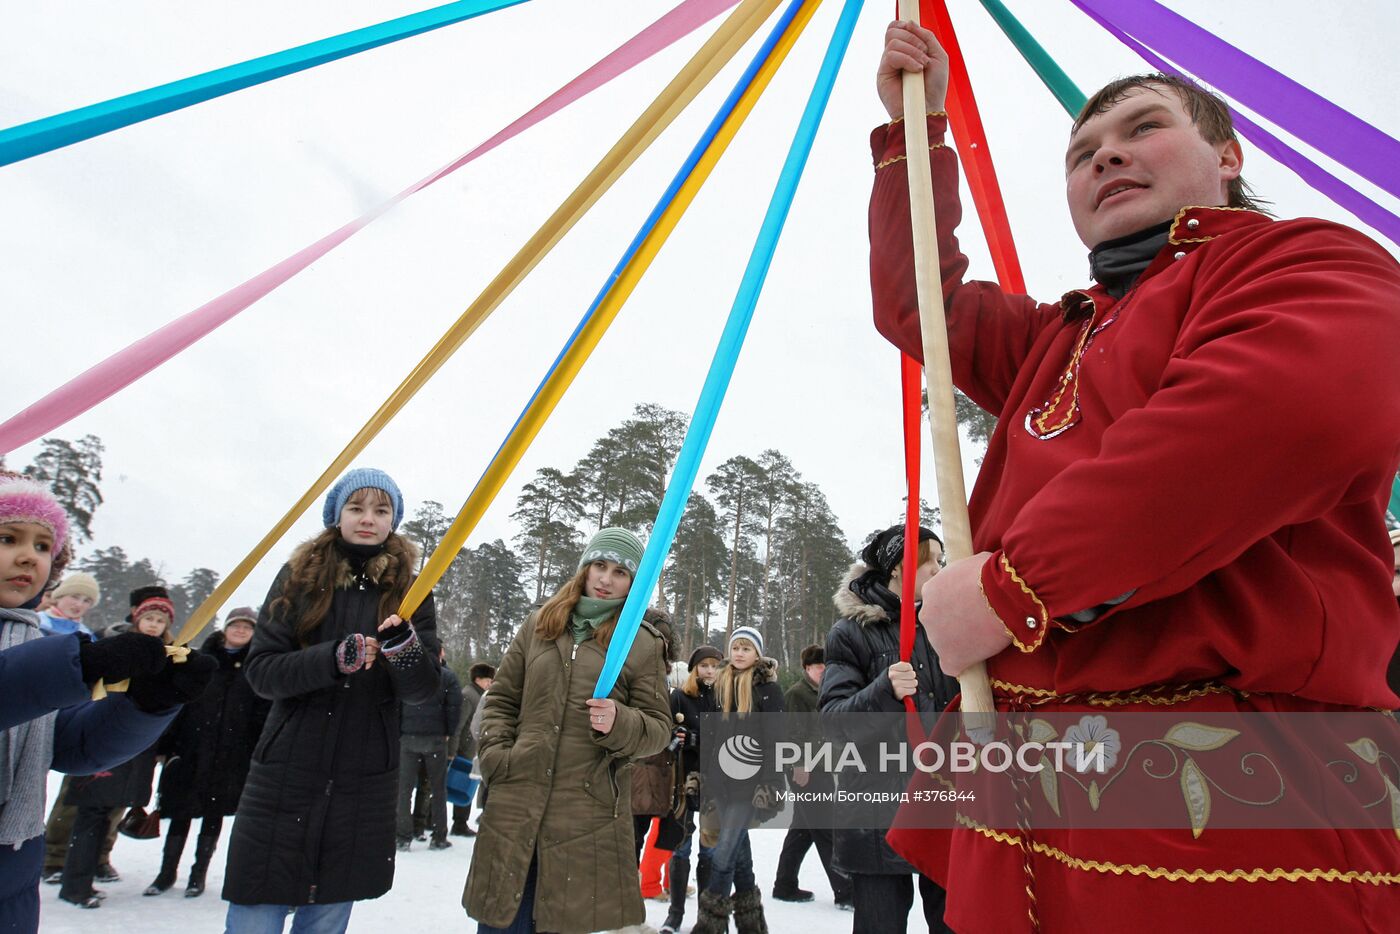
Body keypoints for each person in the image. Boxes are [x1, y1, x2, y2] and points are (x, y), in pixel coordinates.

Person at [869, 21, 1400, 932]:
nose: (1106, 156)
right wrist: (913, 133)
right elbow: (922, 300)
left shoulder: (1306, 260)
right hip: (1029, 789)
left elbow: (1271, 419)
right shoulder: (1058, 335)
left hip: (1233, 781)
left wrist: (1012, 587)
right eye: (1083, 153)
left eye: (1142, 130)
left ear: (1228, 155)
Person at [222, 468, 441, 934]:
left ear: (394, 520)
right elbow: (261, 672)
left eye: (381, 510)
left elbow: (423, 689)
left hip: (363, 780)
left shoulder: (413, 590)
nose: (368, 519)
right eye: (356, 508)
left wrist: (404, 649)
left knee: (326, 917)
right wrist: (331, 659)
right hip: (286, 773)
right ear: (336, 514)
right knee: (255, 912)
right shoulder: (298, 577)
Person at [0, 471, 213, 931]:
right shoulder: (51, 647)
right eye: (7, 538)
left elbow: (74, 745)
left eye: (42, 546)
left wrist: (149, 705)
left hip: (11, 873)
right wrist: (82, 665)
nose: (27, 556)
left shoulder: (26, 636)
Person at [464, 527, 673, 934]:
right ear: (584, 568)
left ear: (634, 583)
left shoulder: (642, 643)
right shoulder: (540, 625)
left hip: (586, 811)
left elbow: (659, 729)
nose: (605, 579)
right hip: (517, 797)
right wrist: (498, 758)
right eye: (599, 565)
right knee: (501, 920)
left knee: (560, 920)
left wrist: (620, 722)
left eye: (619, 572)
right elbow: (502, 699)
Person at [820, 526, 957, 933]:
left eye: (940, 559)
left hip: (946, 801)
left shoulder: (948, 622)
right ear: (899, 567)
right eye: (929, 559)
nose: (939, 568)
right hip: (878, 808)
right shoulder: (853, 632)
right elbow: (834, 720)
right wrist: (884, 690)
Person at [42, 584, 174, 885]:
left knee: (117, 802)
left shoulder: (170, 654)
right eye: (149, 617)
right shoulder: (110, 642)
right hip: (94, 726)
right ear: (136, 617)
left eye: (160, 620)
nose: (154, 624)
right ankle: (54, 856)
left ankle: (100, 857)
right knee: (77, 798)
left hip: (135, 737)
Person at [144, 606, 270, 897]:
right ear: (225, 628)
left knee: (213, 814)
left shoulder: (255, 667)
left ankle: (197, 875)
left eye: (247, 628)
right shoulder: (201, 660)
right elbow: (179, 705)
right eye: (236, 625)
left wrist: (254, 750)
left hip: (231, 754)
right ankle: (166, 873)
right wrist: (167, 745)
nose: (240, 631)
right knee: (180, 811)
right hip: (191, 749)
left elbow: (261, 714)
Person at [691, 626, 784, 934]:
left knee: (724, 851)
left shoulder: (769, 691)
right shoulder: (720, 686)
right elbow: (711, 735)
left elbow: (776, 740)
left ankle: (709, 925)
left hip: (750, 785)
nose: (740, 653)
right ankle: (752, 924)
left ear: (757, 654)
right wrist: (703, 775)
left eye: (746, 648)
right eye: (736, 647)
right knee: (740, 856)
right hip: (720, 782)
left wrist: (770, 785)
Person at [773, 644, 851, 907]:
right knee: (825, 827)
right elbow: (790, 733)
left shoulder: (826, 693)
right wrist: (798, 764)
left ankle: (784, 884)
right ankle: (845, 892)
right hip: (806, 770)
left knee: (802, 830)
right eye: (819, 667)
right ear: (808, 668)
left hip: (823, 766)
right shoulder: (798, 694)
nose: (824, 671)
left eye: (827, 667)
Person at [660, 645, 721, 934]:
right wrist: (677, 736)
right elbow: (666, 733)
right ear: (695, 668)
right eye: (704, 665)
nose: (709, 671)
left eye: (714, 666)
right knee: (680, 849)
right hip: (682, 783)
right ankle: (674, 915)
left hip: (715, 784)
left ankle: (705, 917)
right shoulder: (680, 697)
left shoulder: (726, 699)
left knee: (709, 854)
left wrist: (697, 738)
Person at [397, 645, 463, 851]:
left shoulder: (407, 674)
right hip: (435, 738)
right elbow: (454, 707)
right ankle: (439, 835)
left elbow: (397, 703)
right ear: (440, 653)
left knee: (404, 790)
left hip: (408, 736)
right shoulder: (447, 677)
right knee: (438, 789)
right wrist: (448, 732)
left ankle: (402, 836)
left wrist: (399, 729)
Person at [450, 662, 495, 837]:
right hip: (464, 750)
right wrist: (454, 750)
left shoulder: (478, 694)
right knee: (461, 786)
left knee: (467, 786)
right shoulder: (469, 695)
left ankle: (461, 821)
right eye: (487, 679)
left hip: (470, 749)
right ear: (478, 679)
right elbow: (460, 724)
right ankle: (459, 823)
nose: (490, 683)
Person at [37, 573, 100, 641]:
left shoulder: (88, 636)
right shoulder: (36, 623)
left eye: (86, 601)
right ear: (59, 597)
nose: (79, 604)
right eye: (75, 597)